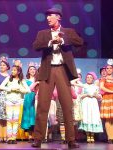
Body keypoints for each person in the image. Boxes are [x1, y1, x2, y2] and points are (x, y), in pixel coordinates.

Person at [31, 7, 84, 149]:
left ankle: (71, 140)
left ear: (58, 17)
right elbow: (35, 46)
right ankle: (38, 138)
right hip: (47, 71)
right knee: (42, 105)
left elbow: (79, 42)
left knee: (67, 106)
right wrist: (50, 42)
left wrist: (62, 39)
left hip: (63, 70)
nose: (48, 18)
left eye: (51, 16)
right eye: (47, 16)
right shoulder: (42, 33)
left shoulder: (68, 32)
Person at [0, 64, 30, 144]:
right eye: (12, 70)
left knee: (15, 120)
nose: (12, 71)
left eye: (14, 70)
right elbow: (1, 87)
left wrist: (19, 89)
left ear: (18, 72)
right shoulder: (8, 79)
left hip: (17, 101)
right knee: (9, 120)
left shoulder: (21, 80)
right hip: (9, 101)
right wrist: (10, 89)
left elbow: (28, 90)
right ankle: (9, 138)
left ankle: (14, 137)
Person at [77, 72, 103, 143]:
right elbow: (79, 96)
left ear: (93, 79)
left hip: (93, 104)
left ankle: (92, 135)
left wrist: (95, 95)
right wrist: (87, 94)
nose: (89, 79)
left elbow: (100, 97)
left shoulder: (96, 87)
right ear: (85, 78)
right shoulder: (83, 86)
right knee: (87, 117)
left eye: (90, 77)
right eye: (87, 77)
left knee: (93, 118)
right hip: (86, 104)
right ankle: (88, 135)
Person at [21, 64, 37, 142]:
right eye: (30, 69)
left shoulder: (38, 80)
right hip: (28, 98)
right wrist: (36, 83)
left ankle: (37, 136)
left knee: (36, 115)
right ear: (28, 71)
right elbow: (29, 89)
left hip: (37, 98)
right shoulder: (25, 81)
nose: (32, 70)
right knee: (29, 115)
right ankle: (30, 136)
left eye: (34, 69)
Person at [100, 64, 113, 143]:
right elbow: (102, 87)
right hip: (107, 98)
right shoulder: (103, 79)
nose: (108, 69)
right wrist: (111, 91)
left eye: (110, 68)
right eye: (107, 68)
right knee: (108, 118)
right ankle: (110, 137)